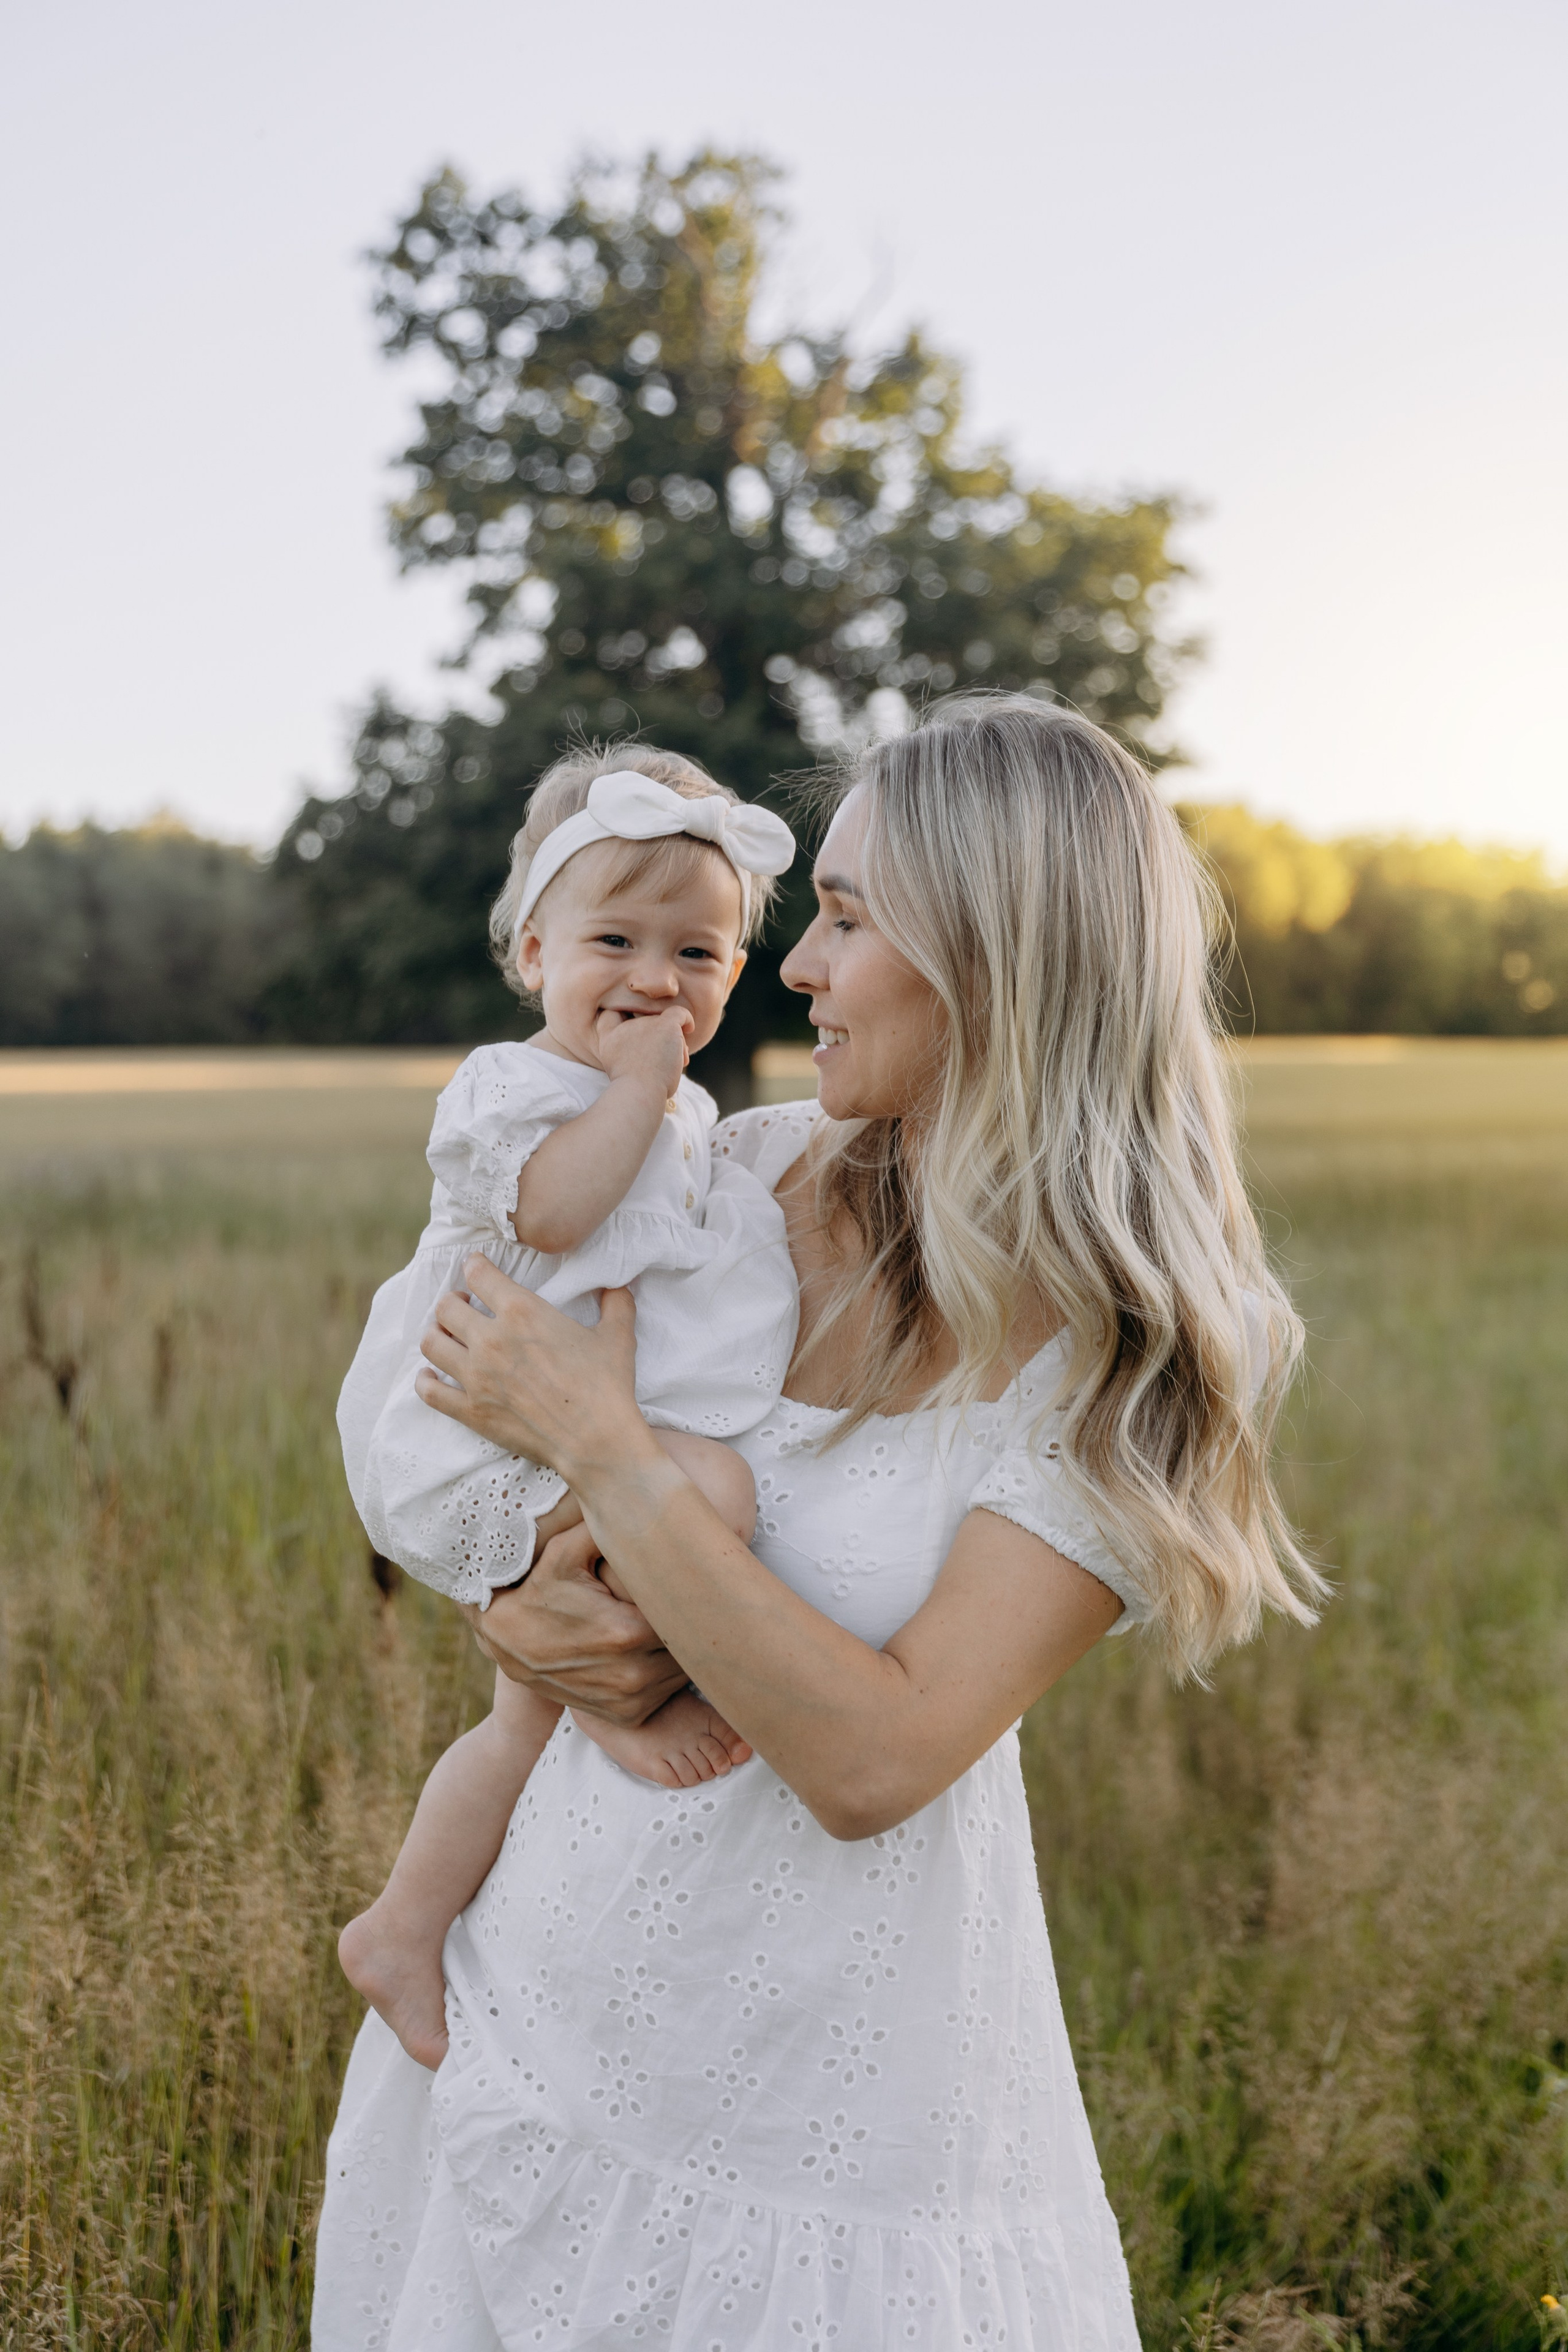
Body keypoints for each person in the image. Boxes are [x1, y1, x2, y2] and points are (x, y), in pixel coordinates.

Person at [312, 694, 1323, 2351]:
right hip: (533, 2021)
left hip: (825, 2140)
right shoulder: (729, 1175)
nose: (790, 969)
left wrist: (605, 1447)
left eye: (848, 923)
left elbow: (875, 1759)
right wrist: (518, 1605)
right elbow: (474, 1411)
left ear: (998, 961)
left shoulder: (1138, 1358)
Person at [334, 752, 800, 2070]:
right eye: (614, 941)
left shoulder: (680, 1108)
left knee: (513, 1718)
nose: (656, 981)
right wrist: (642, 1094)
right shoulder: (513, 1089)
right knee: (705, 1497)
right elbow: (550, 1212)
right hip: (476, 1428)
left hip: (574, 1433)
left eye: (697, 954)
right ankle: (614, 1696)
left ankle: (401, 1926)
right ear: (531, 951)